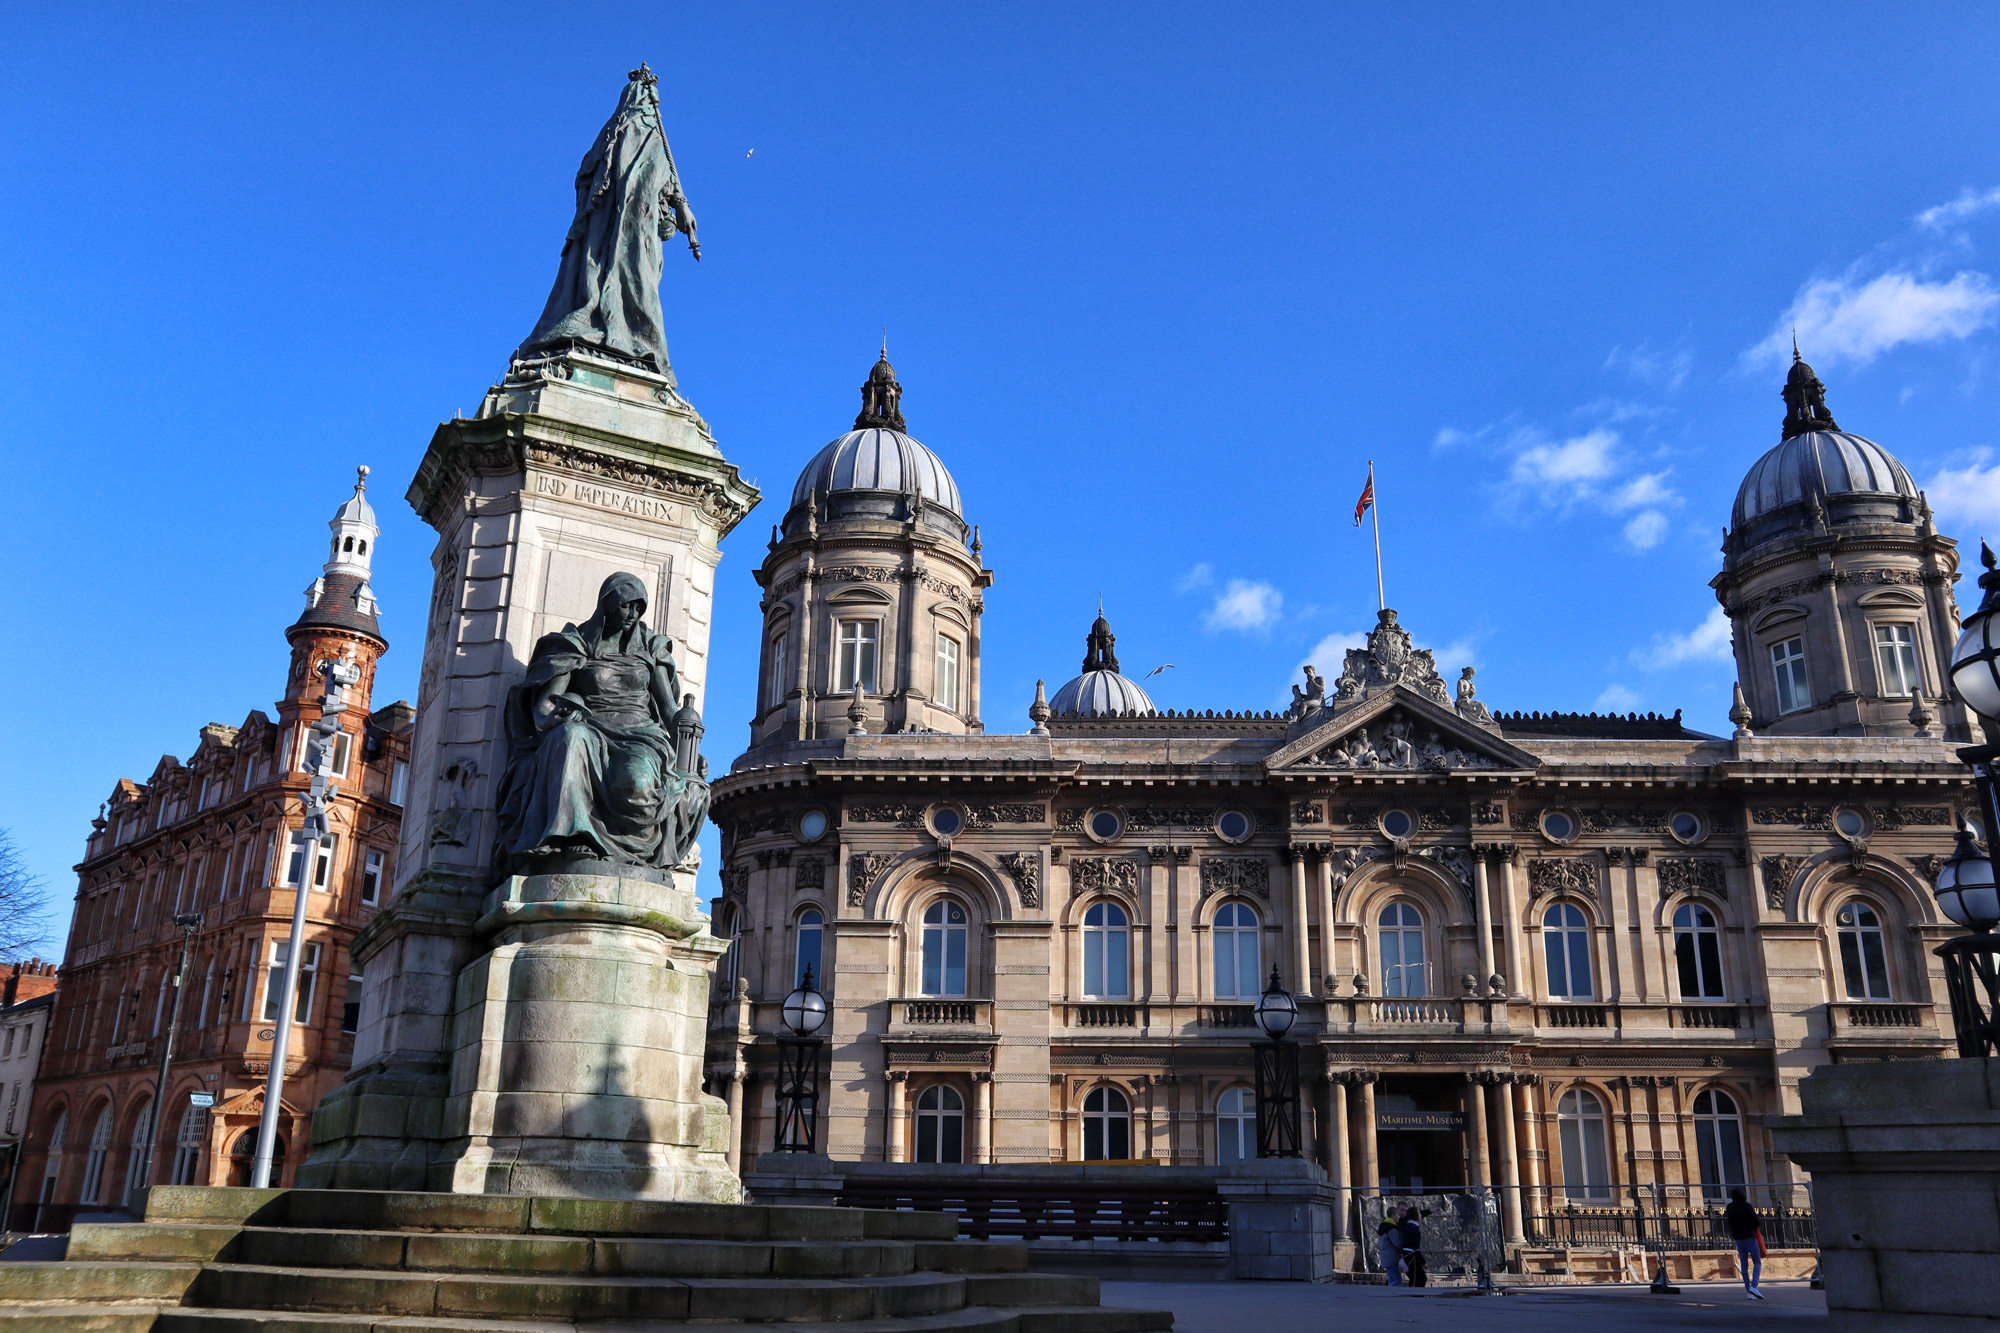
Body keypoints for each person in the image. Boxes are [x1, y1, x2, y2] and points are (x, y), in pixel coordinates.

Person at [1724, 1187, 1763, 1299]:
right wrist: (1754, 1228)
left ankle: (1748, 1289)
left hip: (1738, 1238)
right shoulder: (1747, 1206)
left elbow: (1730, 1222)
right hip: (1750, 1236)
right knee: (1757, 1262)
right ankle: (1754, 1286)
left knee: (1744, 1265)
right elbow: (1755, 1221)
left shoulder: (1730, 1207)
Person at [1399, 1206, 1430, 1287]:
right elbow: (1416, 1248)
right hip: (1411, 1255)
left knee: (1416, 1278)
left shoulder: (1409, 1226)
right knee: (1419, 1278)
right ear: (1415, 1216)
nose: (1421, 1215)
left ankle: (1414, 1296)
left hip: (1407, 1255)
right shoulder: (1413, 1228)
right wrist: (1423, 1262)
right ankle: (1415, 1297)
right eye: (1419, 1213)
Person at [1376, 1219, 1404, 1286]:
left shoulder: (1384, 1229)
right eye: (1397, 1215)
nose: (1399, 1217)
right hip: (1392, 1258)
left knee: (1391, 1280)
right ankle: (1385, 1293)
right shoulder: (1392, 1229)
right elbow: (1398, 1244)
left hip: (1386, 1257)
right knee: (1398, 1281)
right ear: (1393, 1215)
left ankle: (1390, 1294)